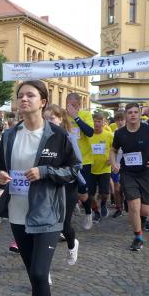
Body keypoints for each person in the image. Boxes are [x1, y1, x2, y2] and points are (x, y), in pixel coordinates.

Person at [0, 80, 79, 296]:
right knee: (34, 276)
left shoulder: (57, 135)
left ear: (43, 101)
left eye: (30, 95)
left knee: (41, 274)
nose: (24, 99)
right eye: (20, 95)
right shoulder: (9, 135)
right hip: (18, 213)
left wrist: (45, 172)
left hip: (47, 214)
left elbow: (74, 171)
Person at [110, 102, 149, 251]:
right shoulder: (120, 133)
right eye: (130, 113)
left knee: (146, 211)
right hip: (128, 173)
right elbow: (113, 150)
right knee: (134, 205)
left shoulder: (148, 129)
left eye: (136, 112)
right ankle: (138, 237)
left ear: (140, 114)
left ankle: (140, 219)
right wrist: (114, 163)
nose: (133, 115)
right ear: (126, 115)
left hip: (146, 172)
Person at [44, 104, 82, 265]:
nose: (48, 122)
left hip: (68, 186)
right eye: (45, 119)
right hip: (47, 187)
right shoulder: (40, 138)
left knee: (64, 224)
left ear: (60, 119)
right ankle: (44, 266)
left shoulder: (68, 137)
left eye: (52, 118)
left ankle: (72, 245)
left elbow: (78, 164)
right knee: (48, 225)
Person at [65, 92, 96, 230]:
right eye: (68, 105)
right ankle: (67, 219)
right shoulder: (63, 116)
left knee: (83, 191)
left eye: (73, 105)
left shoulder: (85, 115)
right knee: (68, 189)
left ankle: (88, 213)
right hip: (68, 160)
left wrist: (76, 117)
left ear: (79, 105)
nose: (70, 108)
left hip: (84, 160)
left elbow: (90, 132)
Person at [85, 111, 115, 223]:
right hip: (91, 169)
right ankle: (96, 213)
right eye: (95, 121)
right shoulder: (88, 135)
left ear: (104, 122)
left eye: (99, 121)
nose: (96, 124)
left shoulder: (109, 135)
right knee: (90, 195)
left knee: (104, 193)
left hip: (104, 169)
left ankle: (103, 204)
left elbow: (116, 149)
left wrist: (112, 159)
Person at [109, 111, 126, 218]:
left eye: (122, 120)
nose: (120, 122)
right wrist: (113, 162)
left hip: (128, 164)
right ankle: (118, 208)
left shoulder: (130, 131)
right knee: (116, 188)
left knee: (126, 187)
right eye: (117, 120)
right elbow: (111, 150)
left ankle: (127, 203)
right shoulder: (113, 133)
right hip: (117, 163)